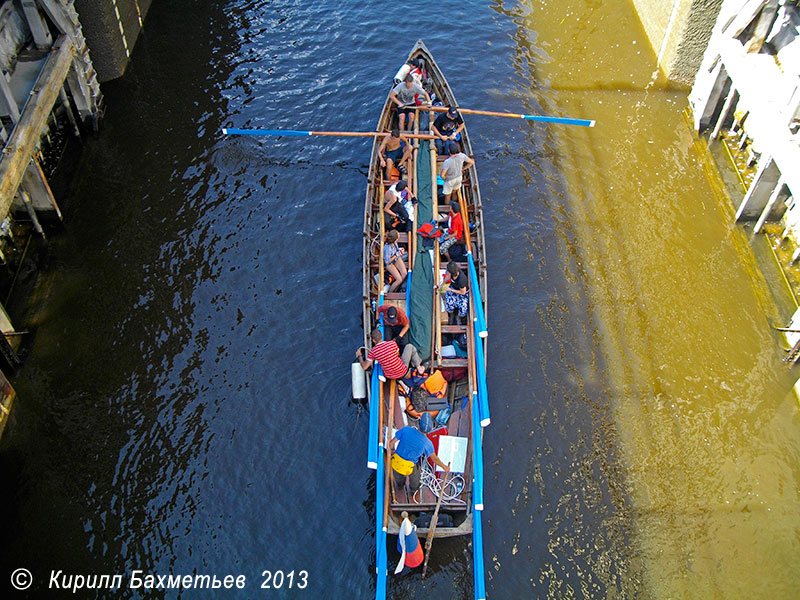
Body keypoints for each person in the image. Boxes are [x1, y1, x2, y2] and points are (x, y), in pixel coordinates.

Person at [390, 425, 450, 491]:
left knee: (398, 479)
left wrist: (392, 451)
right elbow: (435, 459)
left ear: (419, 425)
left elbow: (391, 443)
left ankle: (400, 485)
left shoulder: (406, 430)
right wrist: (445, 467)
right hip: (411, 466)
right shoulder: (427, 443)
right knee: (414, 482)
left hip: (397, 462)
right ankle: (413, 490)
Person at [357, 328, 425, 380]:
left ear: (373, 340)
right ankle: (419, 367)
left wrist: (359, 356)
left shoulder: (373, 352)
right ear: (381, 335)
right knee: (409, 346)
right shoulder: (392, 343)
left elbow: (365, 367)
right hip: (403, 371)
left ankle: (416, 366)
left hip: (389, 376)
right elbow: (397, 354)